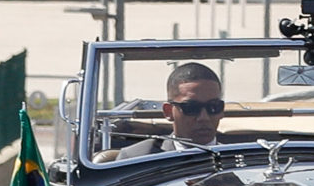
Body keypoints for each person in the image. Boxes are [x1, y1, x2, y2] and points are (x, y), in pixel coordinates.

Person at [91, 61, 226, 160]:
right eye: (191, 108)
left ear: (222, 111)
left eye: (213, 107)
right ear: (168, 111)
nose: (204, 117)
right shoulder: (137, 158)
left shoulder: (237, 159)